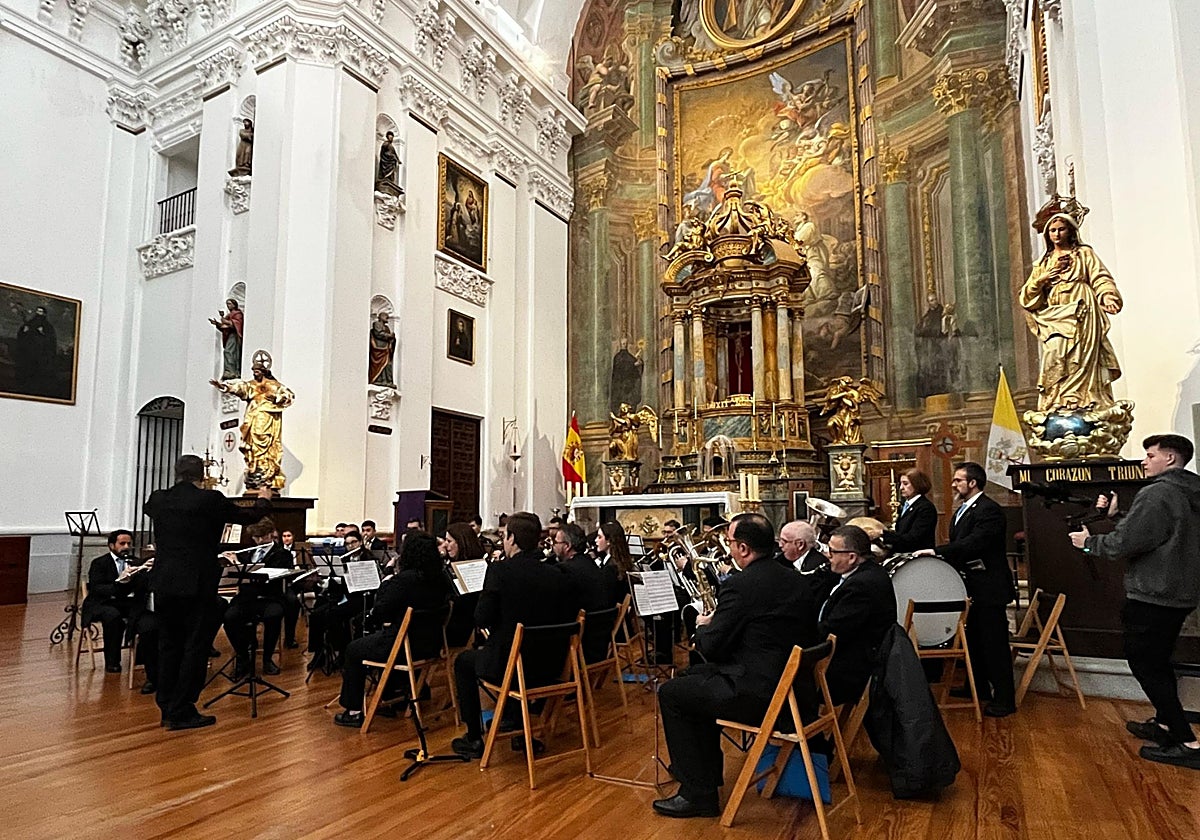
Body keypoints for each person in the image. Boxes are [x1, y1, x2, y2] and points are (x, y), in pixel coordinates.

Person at [653, 513, 820, 819]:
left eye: (729, 542)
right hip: (797, 690)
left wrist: (702, 626)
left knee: (672, 693)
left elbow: (712, 647)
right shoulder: (794, 577)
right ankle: (697, 770)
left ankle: (698, 794)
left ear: (743, 548)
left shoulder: (741, 585)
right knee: (693, 679)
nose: (728, 548)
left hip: (763, 695)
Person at [1070, 434, 1200, 769]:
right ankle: (1165, 724)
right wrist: (1119, 517)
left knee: (1145, 663)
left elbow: (1125, 544)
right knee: (1159, 660)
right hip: (1179, 592)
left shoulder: (1158, 493)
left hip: (1153, 593)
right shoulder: (1190, 491)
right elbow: (1161, 533)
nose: (1144, 461)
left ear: (1170, 458)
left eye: (1150, 455)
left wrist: (1089, 543)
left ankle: (1187, 741)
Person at [143, 455, 271, 731]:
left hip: (164, 582)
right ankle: (182, 709)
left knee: (168, 644)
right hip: (197, 583)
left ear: (176, 473)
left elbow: (149, 509)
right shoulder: (210, 500)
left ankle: (166, 706)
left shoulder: (158, 499)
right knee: (195, 645)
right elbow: (247, 516)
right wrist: (263, 499)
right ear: (202, 475)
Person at [450, 512, 581, 759]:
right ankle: (516, 726)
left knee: (464, 662)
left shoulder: (501, 571)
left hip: (512, 667)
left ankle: (473, 737)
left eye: (505, 536)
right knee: (515, 649)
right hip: (551, 667)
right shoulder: (559, 574)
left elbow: (482, 618)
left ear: (512, 539)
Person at [915, 461, 1015, 717]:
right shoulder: (964, 508)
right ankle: (977, 688)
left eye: (958, 480)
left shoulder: (989, 510)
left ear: (973, 483)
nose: (953, 484)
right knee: (975, 641)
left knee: (993, 644)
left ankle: (1004, 699)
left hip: (989, 587)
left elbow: (975, 542)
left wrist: (937, 551)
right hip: (971, 585)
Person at [333, 532, 453, 727]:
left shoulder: (403, 580)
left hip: (404, 647)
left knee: (354, 649)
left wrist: (386, 582)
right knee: (386, 639)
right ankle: (398, 693)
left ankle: (353, 711)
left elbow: (381, 613)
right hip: (432, 645)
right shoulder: (441, 578)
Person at [1018, 211, 1123, 412]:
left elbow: (1100, 278)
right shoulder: (1044, 263)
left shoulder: (1084, 254)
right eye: (1052, 230)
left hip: (1083, 309)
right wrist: (1043, 278)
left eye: (1061, 229)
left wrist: (1107, 296)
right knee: (1055, 352)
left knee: (1083, 355)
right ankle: (1056, 399)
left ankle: (1083, 398)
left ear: (1070, 231)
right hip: (1056, 315)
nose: (1057, 234)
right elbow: (1026, 297)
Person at [817, 525, 896, 706]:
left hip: (853, 669)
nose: (828, 555)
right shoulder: (865, 573)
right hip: (857, 655)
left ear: (852, 557)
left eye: (832, 551)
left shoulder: (862, 585)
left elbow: (834, 631)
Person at [210, 352, 294, 489]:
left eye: (257, 371)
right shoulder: (251, 385)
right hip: (252, 417)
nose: (255, 374)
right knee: (252, 442)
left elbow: (288, 395)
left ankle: (266, 468)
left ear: (264, 372)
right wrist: (224, 387)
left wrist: (277, 398)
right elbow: (239, 388)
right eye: (253, 371)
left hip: (267, 416)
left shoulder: (274, 385)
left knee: (263, 438)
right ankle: (255, 466)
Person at [221, 521, 292, 677]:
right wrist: (230, 562)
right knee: (229, 617)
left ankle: (267, 659)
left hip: (270, 597)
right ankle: (243, 657)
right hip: (247, 598)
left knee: (273, 615)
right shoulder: (247, 552)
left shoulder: (282, 554)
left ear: (270, 534)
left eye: (262, 537)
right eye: (255, 537)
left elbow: (269, 576)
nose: (258, 541)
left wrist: (238, 564)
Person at [555, 523, 621, 664]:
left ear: (567, 546)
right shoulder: (591, 564)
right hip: (599, 645)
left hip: (580, 649)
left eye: (556, 542)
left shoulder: (566, 570)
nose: (553, 546)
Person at [81, 529, 141, 673]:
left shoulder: (134, 562)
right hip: (101, 603)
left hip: (123, 602)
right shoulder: (99, 563)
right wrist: (119, 582)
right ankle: (112, 661)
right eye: (122, 543)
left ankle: (143, 658)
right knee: (113, 616)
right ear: (111, 545)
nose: (126, 547)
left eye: (129, 544)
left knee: (143, 614)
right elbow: (97, 588)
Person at [443, 521, 486, 647]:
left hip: (465, 625)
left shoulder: (479, 566)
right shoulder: (446, 567)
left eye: (449, 541)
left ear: (461, 542)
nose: (445, 545)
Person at [778, 519, 837, 604]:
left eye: (784, 541)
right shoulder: (780, 560)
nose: (780, 545)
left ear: (800, 544)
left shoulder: (819, 570)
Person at [880, 468, 938, 553]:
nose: (901, 488)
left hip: (918, 555)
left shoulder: (925, 508)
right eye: (900, 484)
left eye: (905, 484)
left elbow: (914, 538)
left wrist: (882, 534)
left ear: (917, 484)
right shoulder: (906, 506)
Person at [594, 521, 634, 608]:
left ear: (609, 541)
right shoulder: (621, 562)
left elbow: (607, 599)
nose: (595, 540)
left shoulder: (610, 568)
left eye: (599, 537)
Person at [208, 299, 244, 381]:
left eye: (230, 304)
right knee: (227, 352)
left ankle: (232, 371)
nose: (228, 305)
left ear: (234, 305)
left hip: (234, 336)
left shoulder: (238, 314)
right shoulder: (229, 315)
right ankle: (229, 370)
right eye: (227, 304)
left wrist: (225, 321)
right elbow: (224, 327)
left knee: (229, 352)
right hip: (230, 336)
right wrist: (217, 324)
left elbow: (237, 324)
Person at [368, 312, 396, 388]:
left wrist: (392, 339)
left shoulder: (386, 328)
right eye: (386, 316)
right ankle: (379, 380)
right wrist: (389, 335)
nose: (387, 318)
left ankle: (387, 381)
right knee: (379, 364)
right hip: (378, 348)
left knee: (388, 365)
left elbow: (389, 338)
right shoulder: (376, 324)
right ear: (381, 317)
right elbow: (378, 334)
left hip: (386, 349)